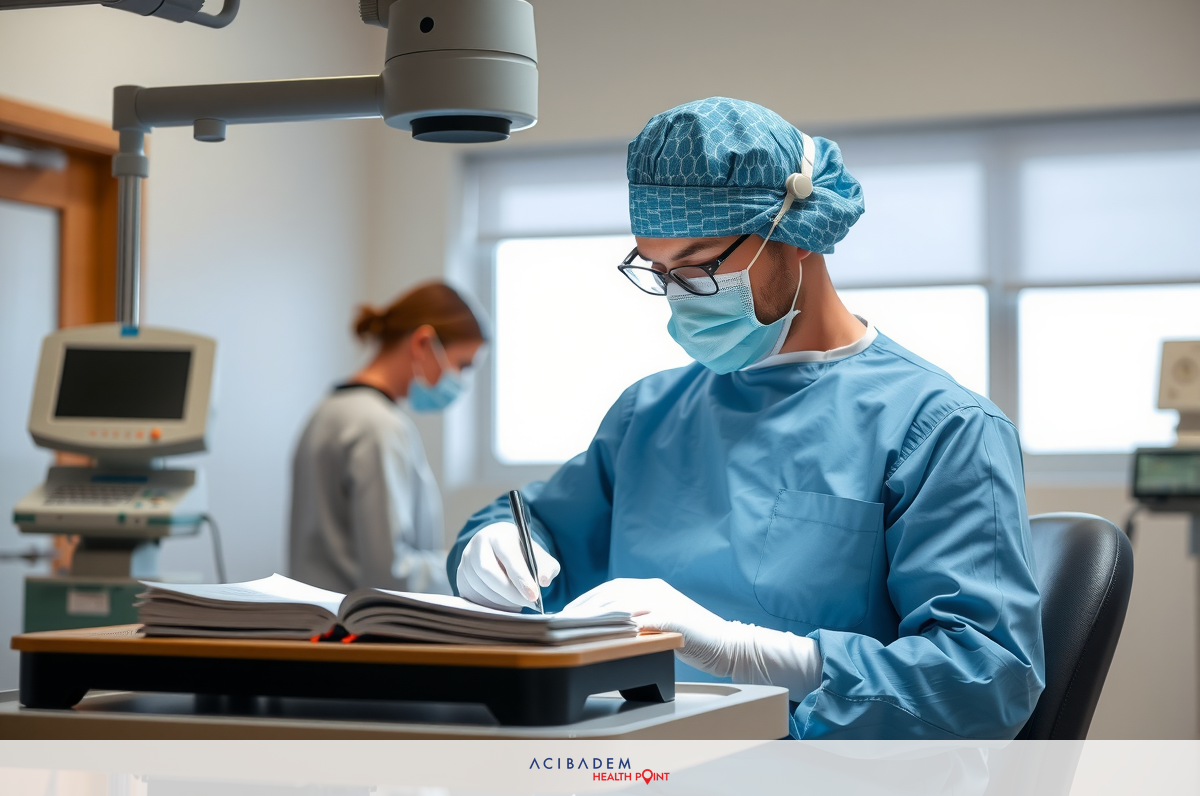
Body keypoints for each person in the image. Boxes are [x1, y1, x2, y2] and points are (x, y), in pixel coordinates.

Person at [448, 98, 1044, 739]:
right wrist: (494, 549)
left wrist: (746, 654)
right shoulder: (649, 414)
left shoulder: (940, 429)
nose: (679, 294)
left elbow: (983, 676)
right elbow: (540, 525)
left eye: (700, 266)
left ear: (795, 233)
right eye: (658, 271)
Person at [289, 281, 486, 595]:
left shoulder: (327, 413)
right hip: (362, 633)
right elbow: (391, 575)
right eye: (462, 365)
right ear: (423, 343)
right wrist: (472, 566)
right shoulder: (378, 426)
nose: (460, 381)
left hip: (320, 626)